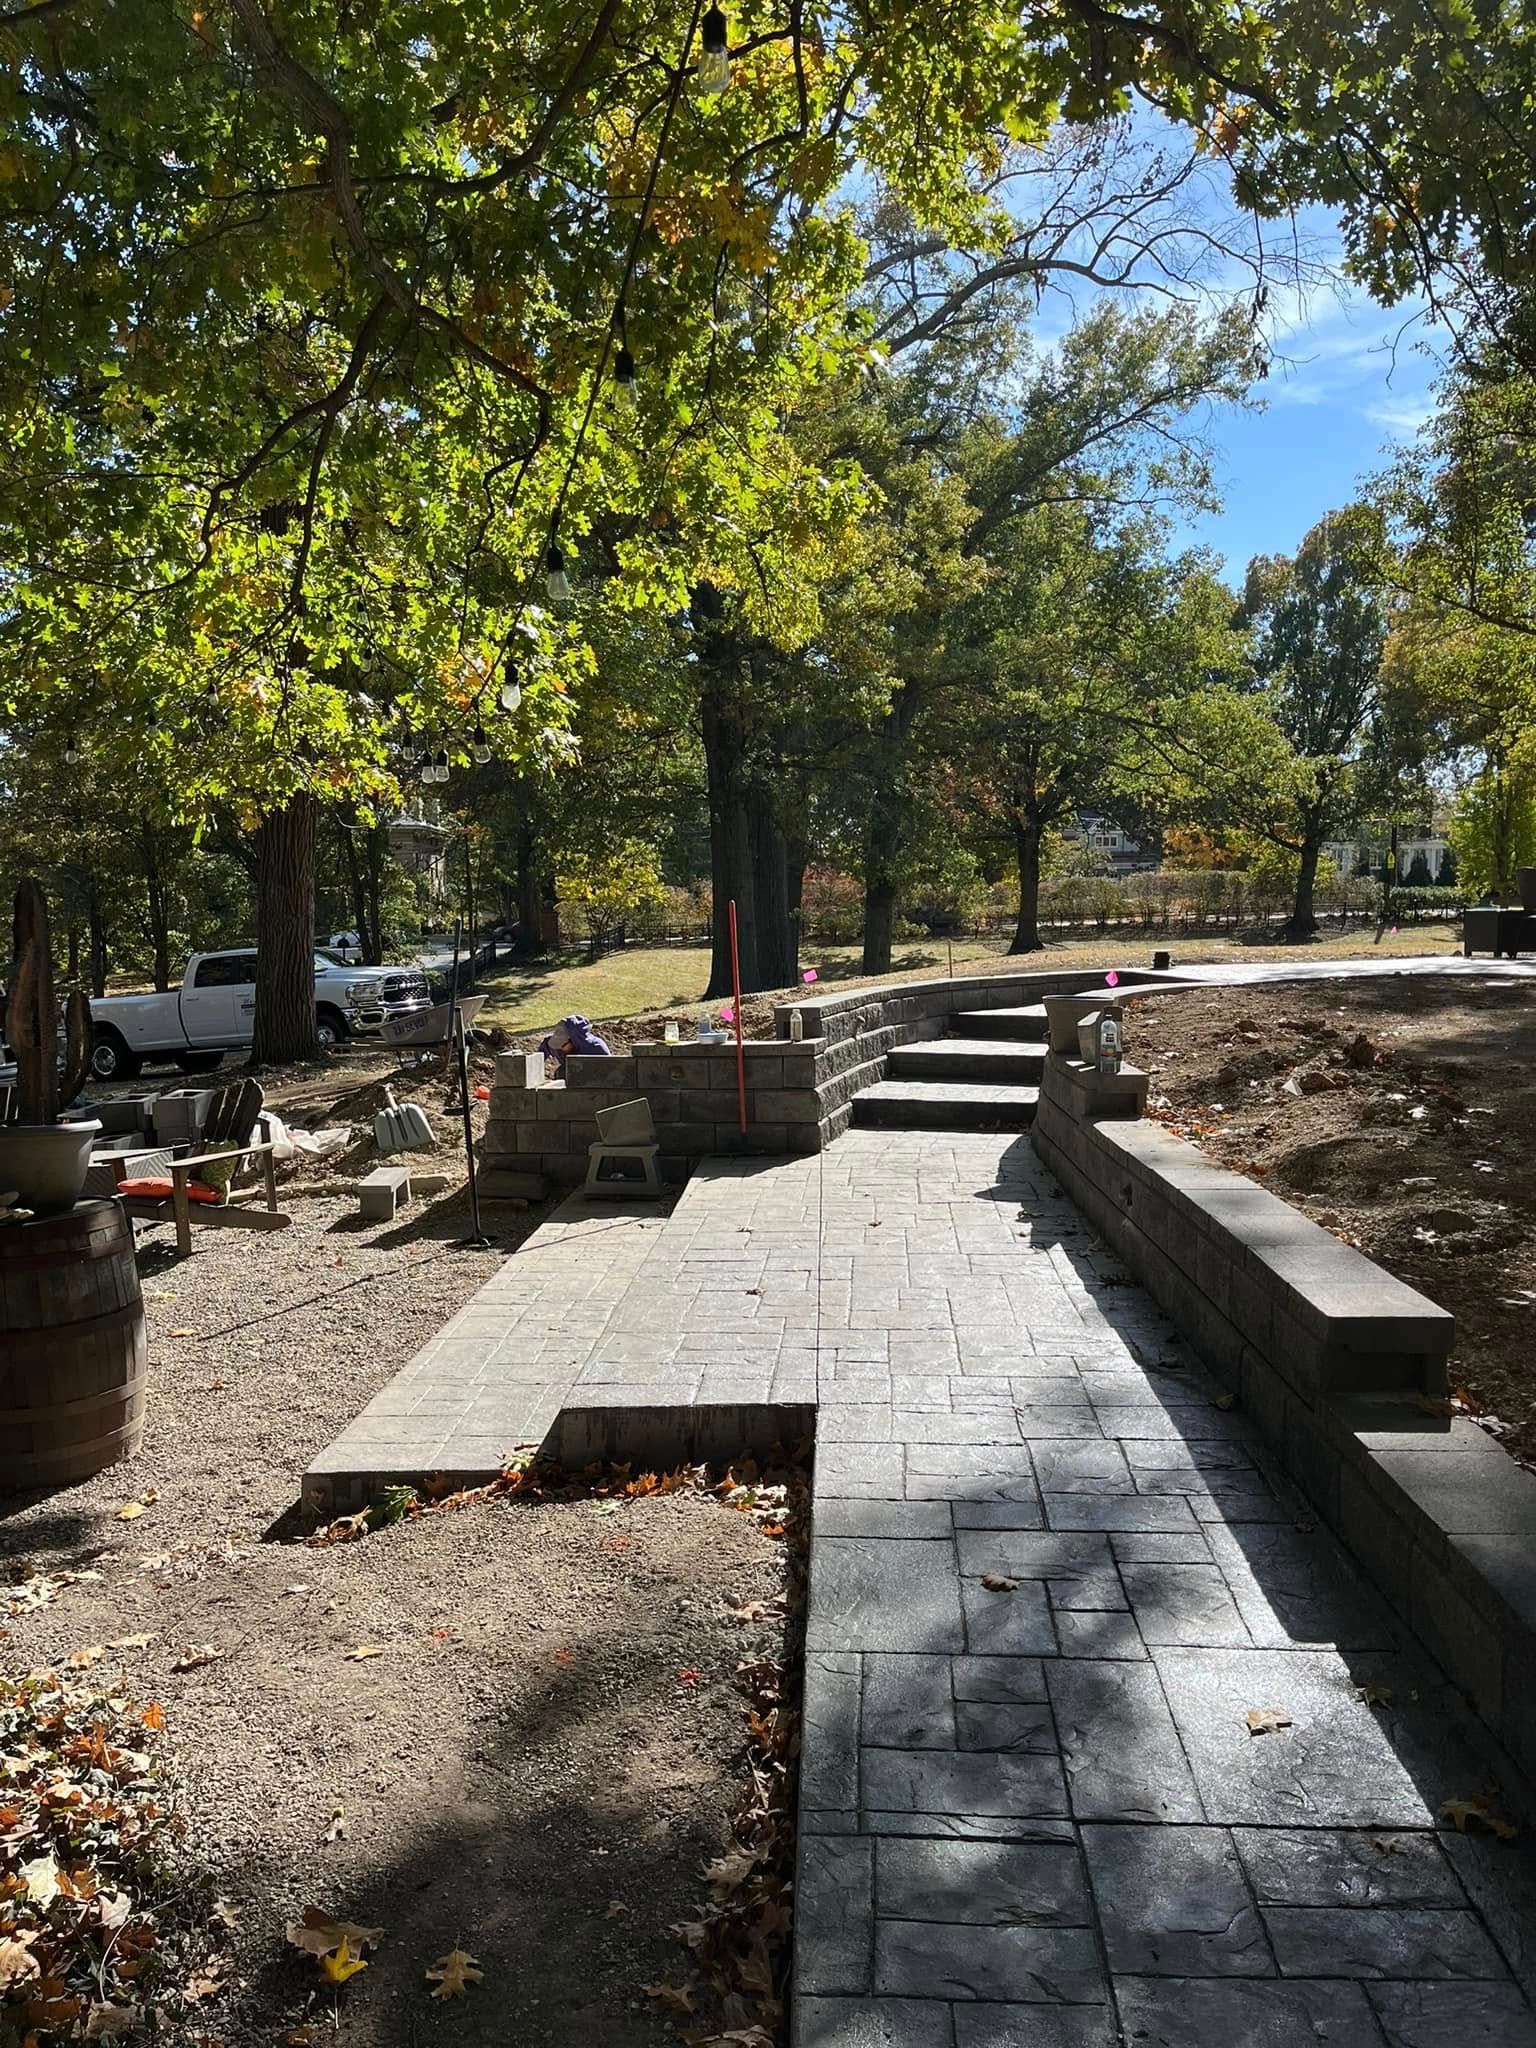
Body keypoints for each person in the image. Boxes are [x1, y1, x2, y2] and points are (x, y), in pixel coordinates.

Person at [539, 1013, 611, 1071]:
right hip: (572, 1075)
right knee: (561, 1072)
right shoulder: (556, 1046)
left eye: (563, 1045)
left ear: (573, 1041)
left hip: (594, 1079)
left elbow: (610, 1070)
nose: (560, 1049)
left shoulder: (596, 1049)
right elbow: (543, 1049)